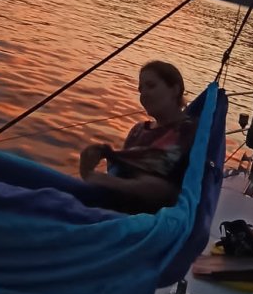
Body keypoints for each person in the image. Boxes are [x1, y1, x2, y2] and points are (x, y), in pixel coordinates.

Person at [78, 61, 196, 214]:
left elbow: (171, 192)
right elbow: (122, 171)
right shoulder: (138, 130)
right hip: (111, 207)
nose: (144, 94)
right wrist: (87, 168)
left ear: (174, 89)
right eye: (141, 89)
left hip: (144, 221)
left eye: (151, 86)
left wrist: (109, 181)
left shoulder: (188, 131)